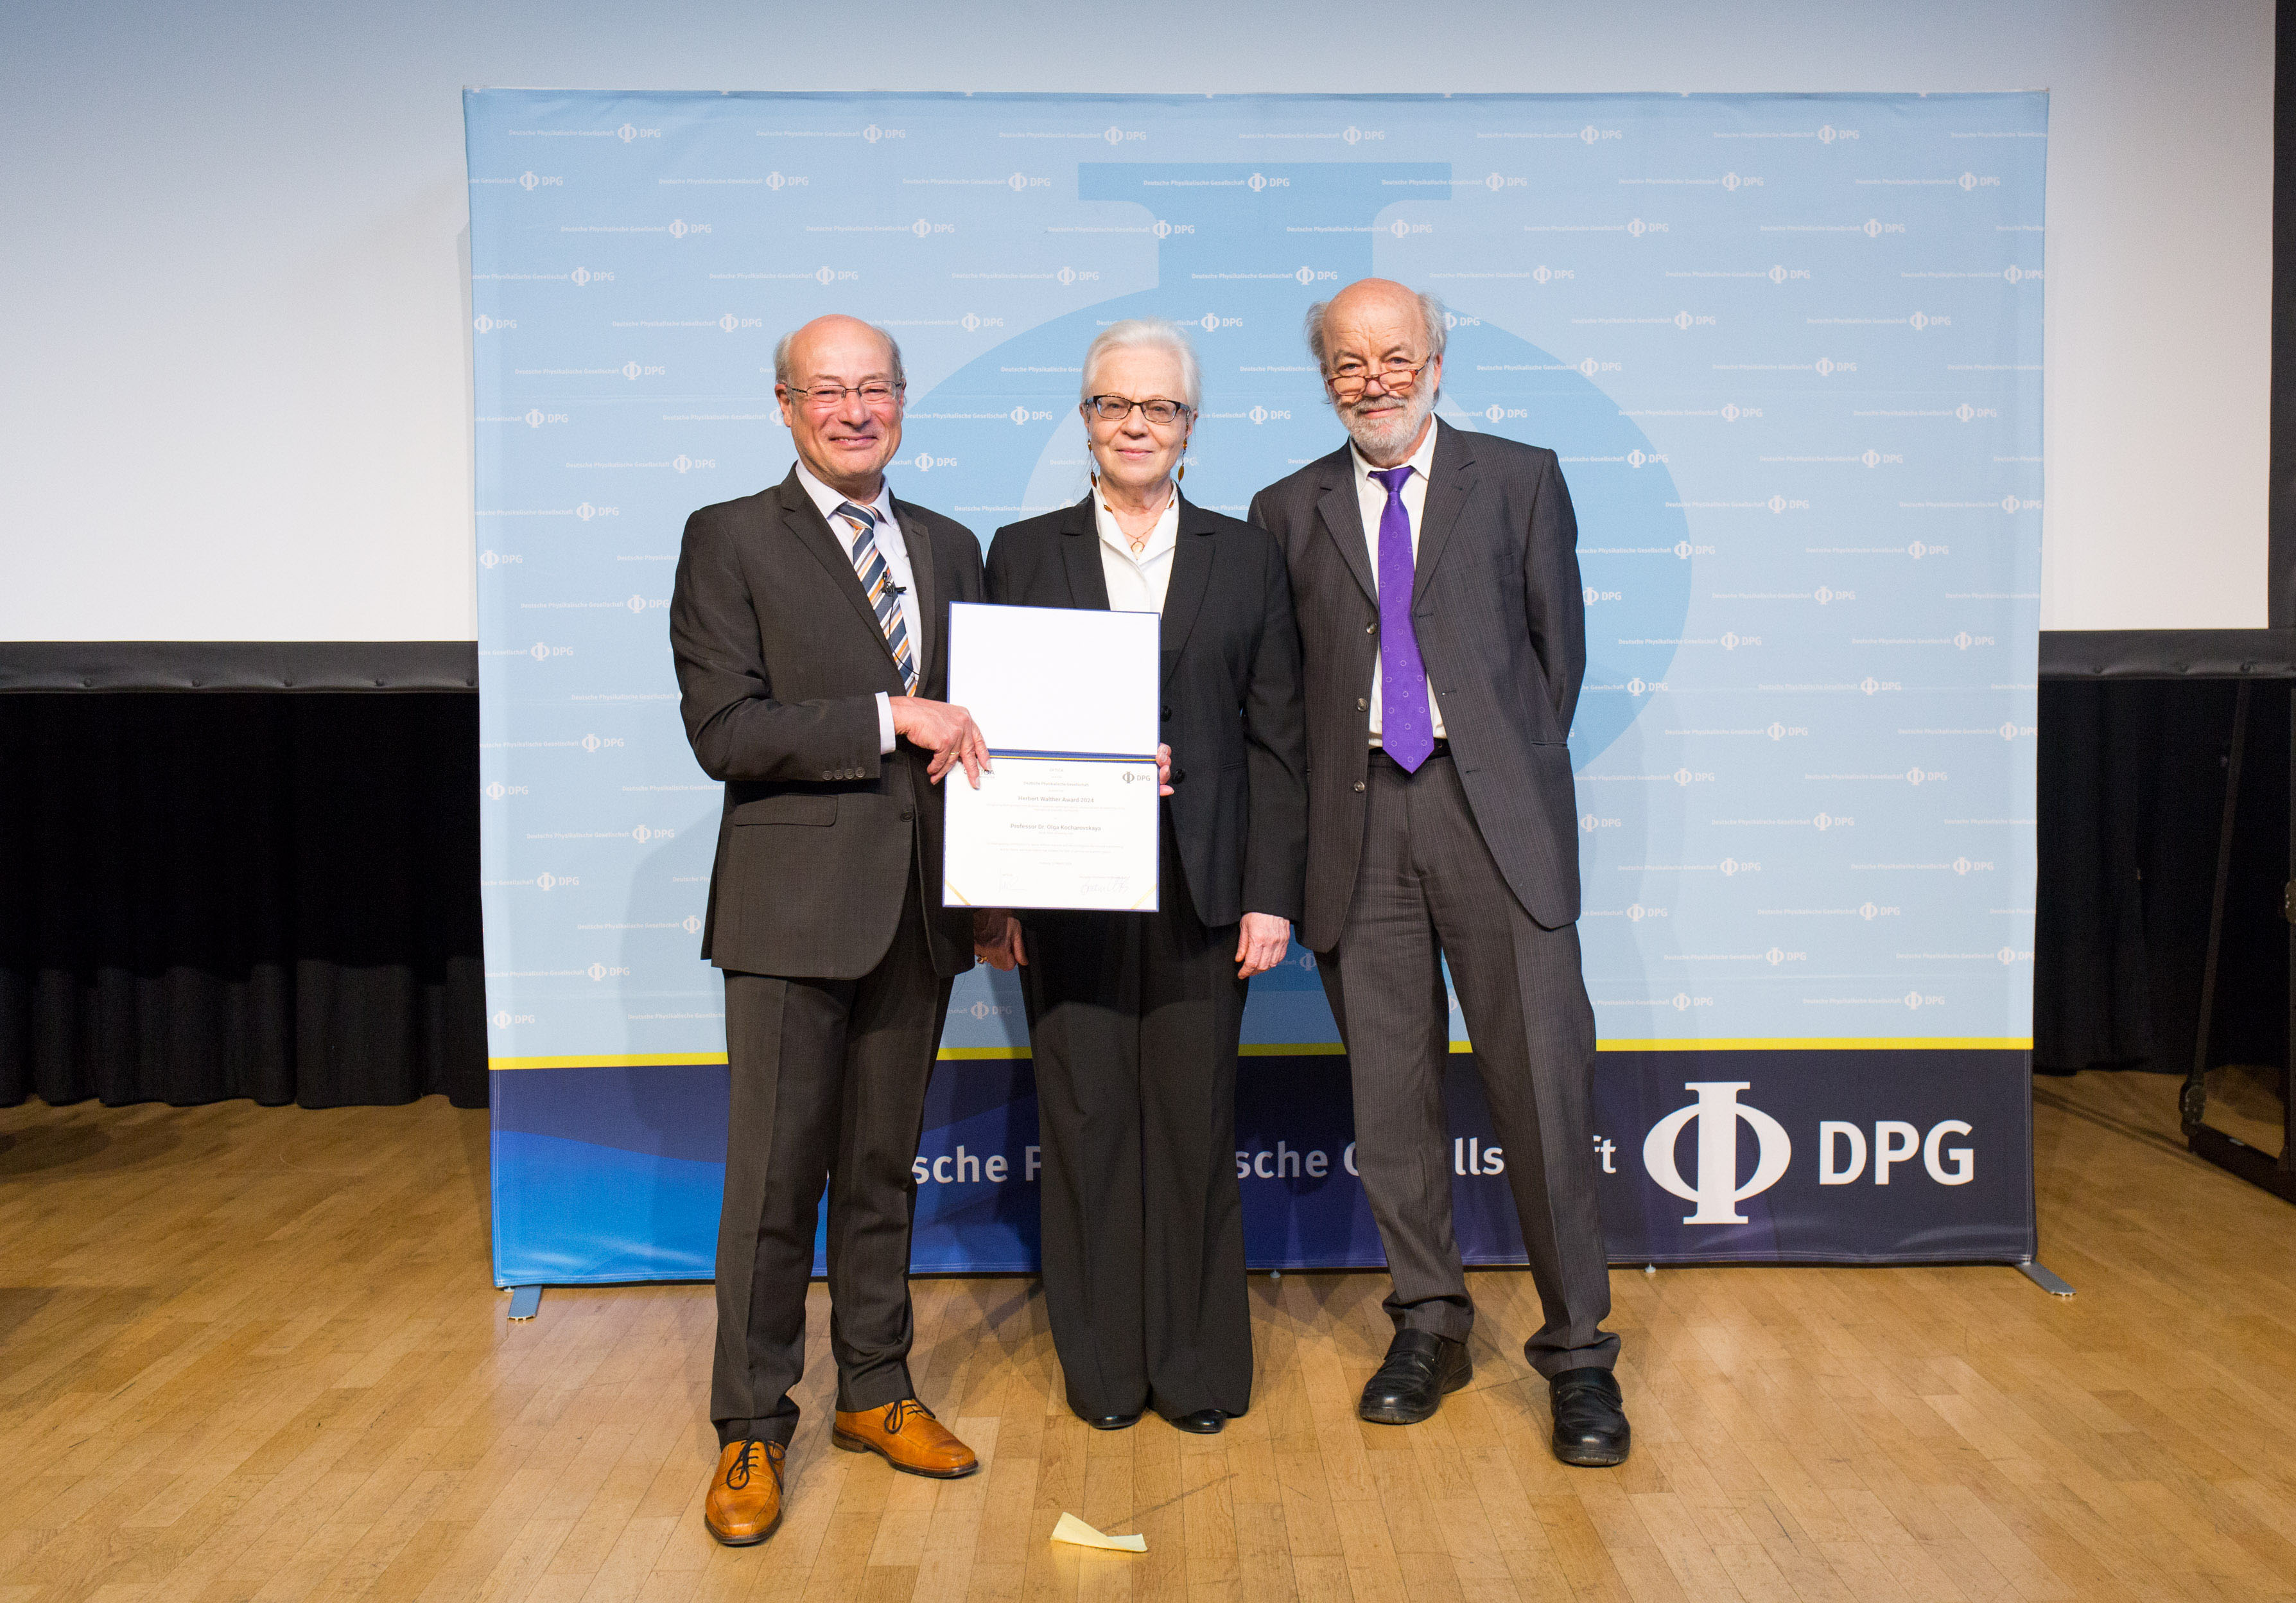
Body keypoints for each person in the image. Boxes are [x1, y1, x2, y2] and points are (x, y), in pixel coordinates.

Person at [1244, 279, 1631, 1466]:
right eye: (1351, 363)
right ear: (1326, 379)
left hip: (1491, 818)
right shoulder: (1282, 508)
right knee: (1392, 1105)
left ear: (1436, 362)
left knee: (1545, 1101)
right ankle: (1429, 1323)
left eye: (1395, 355)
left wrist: (1494, 778)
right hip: (1357, 831)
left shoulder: (1520, 480)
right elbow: (1281, 690)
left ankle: (1577, 1359)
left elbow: (1552, 667)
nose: (1376, 379)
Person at [671, 314, 995, 1546]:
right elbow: (726, 733)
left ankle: (877, 1390)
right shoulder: (728, 538)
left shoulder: (951, 544)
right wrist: (883, 716)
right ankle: (751, 1427)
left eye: (876, 389)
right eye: (829, 390)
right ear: (785, 403)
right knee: (768, 1187)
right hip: (788, 916)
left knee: (878, 1174)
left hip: (921, 914)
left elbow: (982, 731)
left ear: (902, 401)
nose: (855, 409)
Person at [974, 318, 1307, 1436]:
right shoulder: (1020, 553)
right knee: (1086, 1123)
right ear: (1084, 418)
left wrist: (1271, 893)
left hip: (1204, 890)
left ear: (1189, 427)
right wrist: (997, 892)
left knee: (1191, 1124)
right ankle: (1107, 1375)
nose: (1135, 425)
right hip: (1063, 888)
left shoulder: (1247, 554)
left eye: (1157, 408)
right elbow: (991, 736)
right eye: (1113, 405)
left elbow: (1278, 739)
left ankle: (1198, 1372)